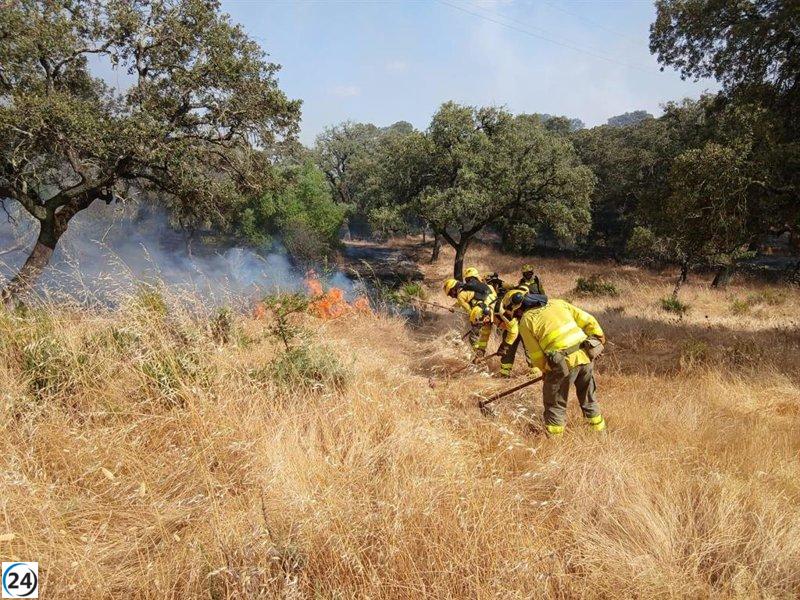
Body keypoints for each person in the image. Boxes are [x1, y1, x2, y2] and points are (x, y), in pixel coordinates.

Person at [511, 293, 607, 437]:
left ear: (520, 309)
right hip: (585, 356)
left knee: (555, 403)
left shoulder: (526, 320)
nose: (517, 316)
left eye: (516, 313)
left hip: (562, 364)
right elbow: (589, 320)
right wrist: (599, 337)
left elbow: (536, 356)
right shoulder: (558, 303)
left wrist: (546, 371)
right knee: (589, 398)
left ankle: (555, 441)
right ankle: (600, 435)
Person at [443, 275, 497, 356]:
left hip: (482, 312)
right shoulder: (469, 288)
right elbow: (465, 300)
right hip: (492, 308)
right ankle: (481, 352)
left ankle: (477, 354)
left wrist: (474, 323)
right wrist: (453, 307)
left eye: (450, 294)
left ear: (453, 289)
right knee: (484, 334)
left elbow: (470, 311)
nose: (452, 296)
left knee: (472, 338)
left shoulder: (460, 295)